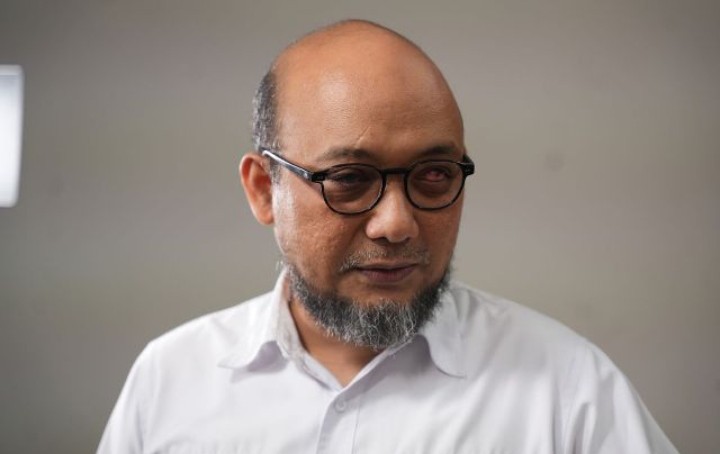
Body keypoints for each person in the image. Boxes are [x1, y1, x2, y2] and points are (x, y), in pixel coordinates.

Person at [98, 20, 679, 453]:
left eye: (434, 174)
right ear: (262, 190)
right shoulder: (172, 381)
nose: (397, 224)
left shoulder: (569, 391)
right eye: (349, 179)